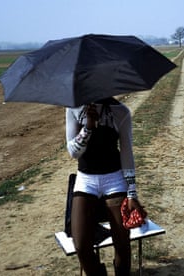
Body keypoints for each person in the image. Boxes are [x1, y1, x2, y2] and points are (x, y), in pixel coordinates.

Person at [66, 97, 144, 276]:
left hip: (114, 179)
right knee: (81, 245)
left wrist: (132, 193)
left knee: (122, 242)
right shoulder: (74, 108)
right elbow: (73, 153)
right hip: (86, 180)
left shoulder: (120, 111)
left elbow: (127, 153)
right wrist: (87, 128)